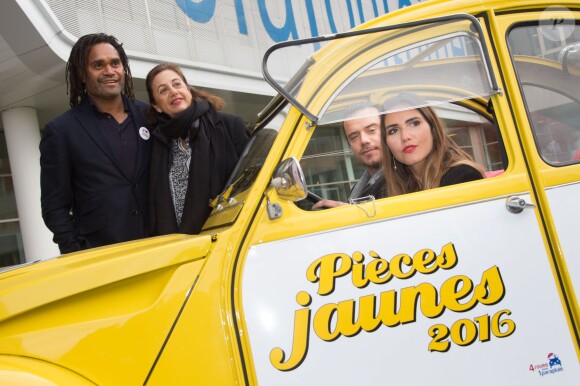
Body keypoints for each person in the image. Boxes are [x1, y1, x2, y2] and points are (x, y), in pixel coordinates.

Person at [40, 33, 151, 254]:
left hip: (161, 246)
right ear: (82, 74)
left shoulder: (150, 116)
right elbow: (54, 207)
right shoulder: (61, 130)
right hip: (102, 256)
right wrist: (78, 252)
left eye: (115, 63)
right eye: (98, 65)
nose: (109, 71)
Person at [145, 62, 250, 235]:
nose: (173, 91)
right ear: (156, 105)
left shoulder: (230, 126)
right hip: (178, 247)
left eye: (177, 84)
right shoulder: (158, 144)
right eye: (163, 90)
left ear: (188, 90)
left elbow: (261, 179)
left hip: (226, 239)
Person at [381, 93, 484, 197]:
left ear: (433, 128)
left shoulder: (464, 177)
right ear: (386, 144)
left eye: (414, 124)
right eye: (393, 131)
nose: (405, 136)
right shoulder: (389, 189)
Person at [313, 103, 386, 209]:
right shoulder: (359, 188)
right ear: (349, 146)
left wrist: (350, 213)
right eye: (354, 137)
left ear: (387, 131)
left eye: (371, 130)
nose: (363, 140)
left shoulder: (403, 179)